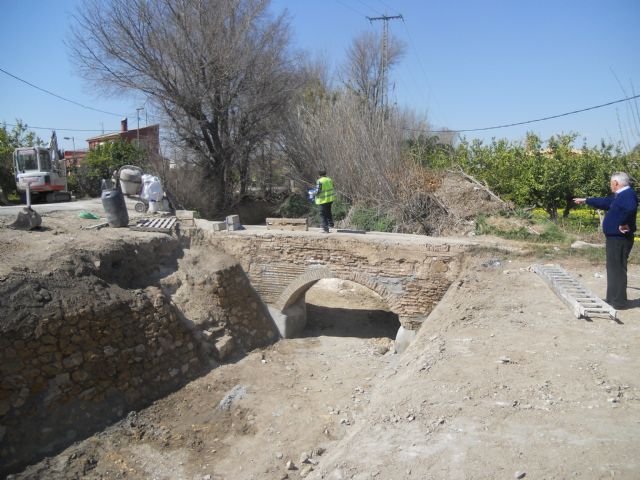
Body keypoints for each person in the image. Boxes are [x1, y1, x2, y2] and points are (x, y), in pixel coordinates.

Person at [574, 172, 638, 309]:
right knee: (613, 268)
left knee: (618, 269)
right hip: (614, 238)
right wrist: (586, 200)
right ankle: (612, 299)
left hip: (620, 238)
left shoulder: (628, 195)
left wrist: (624, 223)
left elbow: (631, 208)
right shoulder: (619, 196)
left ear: (616, 183)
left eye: (611, 183)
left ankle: (619, 302)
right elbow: (605, 202)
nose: (610, 186)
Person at [315, 169, 336, 233]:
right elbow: (332, 187)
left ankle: (325, 228)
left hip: (322, 200)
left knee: (322, 214)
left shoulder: (319, 181)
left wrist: (312, 193)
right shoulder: (330, 180)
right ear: (325, 174)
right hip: (330, 199)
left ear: (319, 175)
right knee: (328, 212)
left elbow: (318, 191)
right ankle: (331, 224)